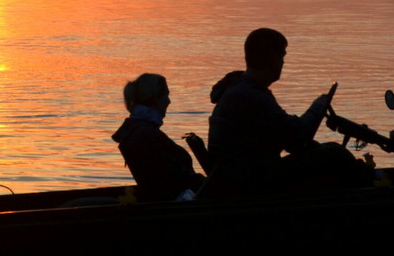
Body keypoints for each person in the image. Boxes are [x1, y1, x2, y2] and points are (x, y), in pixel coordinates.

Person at [206, 28, 362, 196]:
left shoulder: (243, 90)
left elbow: (290, 140)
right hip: (249, 183)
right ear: (270, 57)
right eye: (282, 56)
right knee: (334, 154)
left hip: (243, 176)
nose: (283, 62)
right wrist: (319, 105)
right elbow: (299, 134)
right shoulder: (250, 96)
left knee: (327, 152)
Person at [112, 73, 203, 202]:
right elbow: (171, 180)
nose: (169, 101)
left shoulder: (136, 130)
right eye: (166, 95)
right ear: (155, 99)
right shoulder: (146, 135)